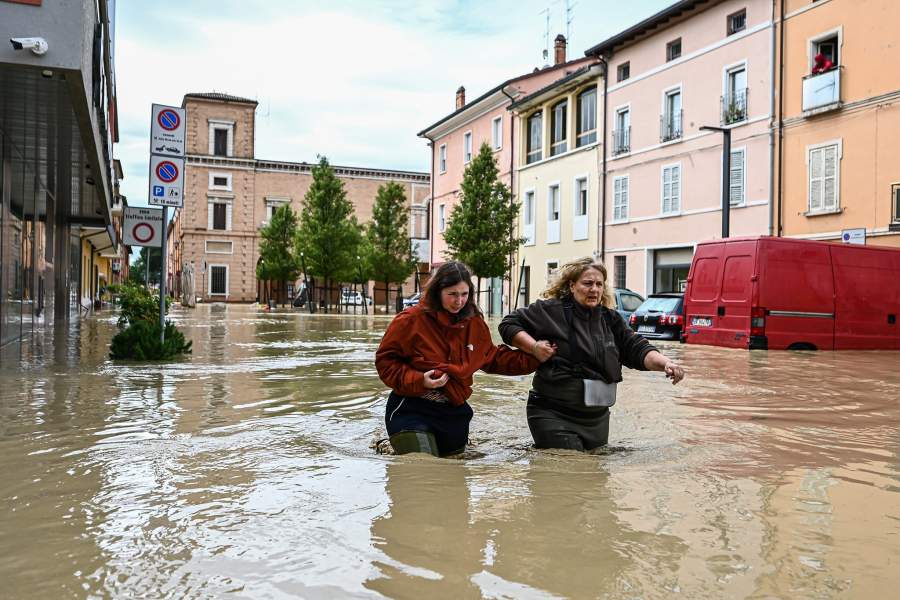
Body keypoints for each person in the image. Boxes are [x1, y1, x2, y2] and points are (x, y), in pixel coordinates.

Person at [499, 257, 685, 452]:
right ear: (572, 286)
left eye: (599, 284)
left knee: (595, 476)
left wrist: (666, 363)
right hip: (552, 414)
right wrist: (534, 347)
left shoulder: (610, 319)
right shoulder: (550, 311)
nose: (594, 289)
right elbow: (508, 324)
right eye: (587, 283)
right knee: (570, 469)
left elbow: (636, 348)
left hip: (596, 419)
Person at [375, 261, 540, 457]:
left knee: (454, 474)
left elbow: (492, 358)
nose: (459, 301)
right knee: (423, 467)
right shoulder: (410, 320)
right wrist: (420, 380)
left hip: (454, 413)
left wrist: (537, 356)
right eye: (452, 294)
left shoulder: (475, 323)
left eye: (464, 294)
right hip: (410, 408)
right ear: (438, 291)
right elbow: (385, 362)